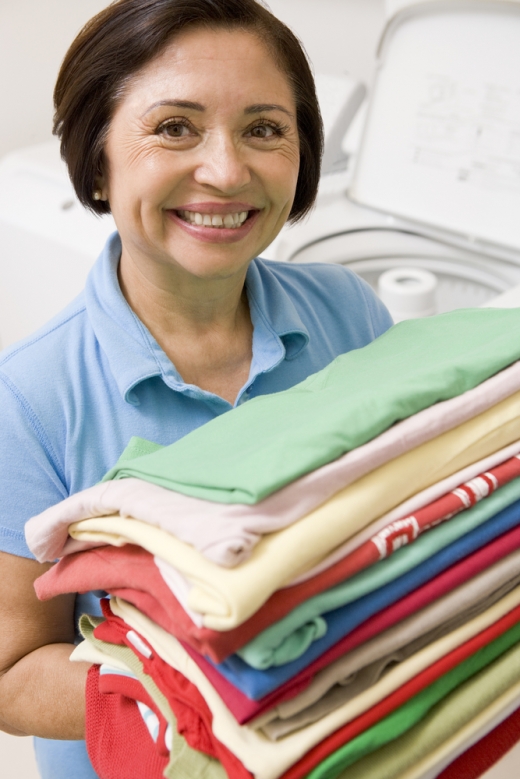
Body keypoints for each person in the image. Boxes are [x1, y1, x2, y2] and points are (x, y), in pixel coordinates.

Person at [0, 1, 392, 777]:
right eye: (175, 127)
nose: (227, 170)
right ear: (99, 155)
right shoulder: (29, 397)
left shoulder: (350, 313)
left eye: (265, 128)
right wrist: (219, 686)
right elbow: (12, 674)